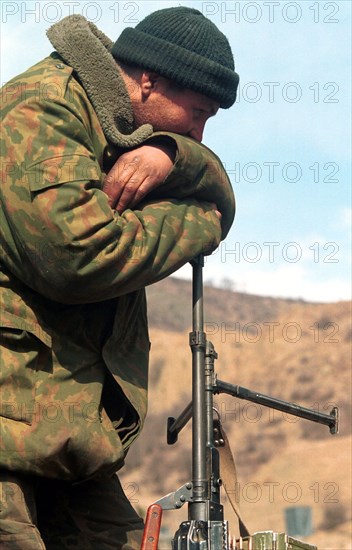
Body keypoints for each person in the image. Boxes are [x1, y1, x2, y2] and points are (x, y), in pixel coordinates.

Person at [0, 7, 238, 549]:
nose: (200, 132)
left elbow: (211, 171)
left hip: (60, 434)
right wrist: (198, 219)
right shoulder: (40, 109)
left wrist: (174, 154)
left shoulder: (110, 124)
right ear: (148, 82)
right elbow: (79, 258)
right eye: (196, 114)